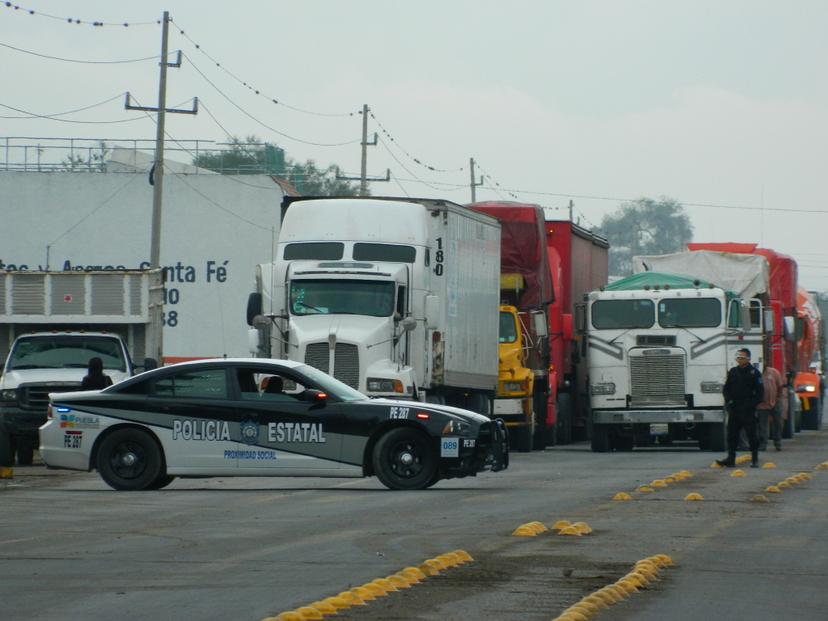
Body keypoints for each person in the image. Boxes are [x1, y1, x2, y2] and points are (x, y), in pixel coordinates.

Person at [717, 348, 764, 468]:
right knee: (731, 435)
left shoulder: (754, 373)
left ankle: (755, 459)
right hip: (734, 409)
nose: (739, 359)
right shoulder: (733, 371)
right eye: (738, 357)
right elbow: (726, 389)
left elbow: (760, 393)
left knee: (752, 436)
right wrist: (729, 401)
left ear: (748, 358)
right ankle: (730, 459)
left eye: (742, 357)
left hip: (748, 410)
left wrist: (751, 405)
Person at [757, 365, 784, 451]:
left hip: (775, 401)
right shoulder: (755, 373)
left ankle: (777, 442)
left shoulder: (774, 372)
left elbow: (780, 386)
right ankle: (763, 444)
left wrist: (778, 398)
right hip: (761, 404)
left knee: (778, 422)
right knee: (763, 425)